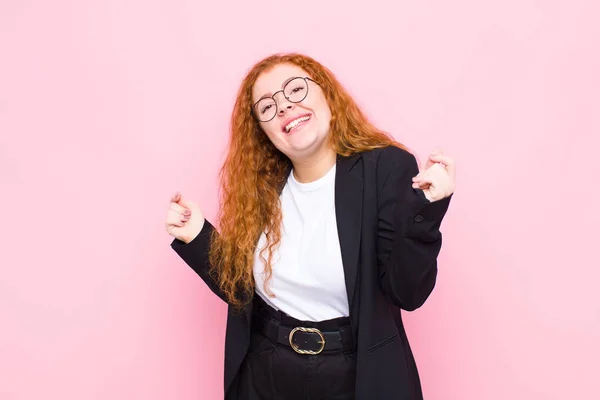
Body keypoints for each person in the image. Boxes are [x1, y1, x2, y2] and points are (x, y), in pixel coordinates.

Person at [165, 53, 455, 400]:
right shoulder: (263, 187)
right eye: (267, 107)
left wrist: (426, 212)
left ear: (327, 94)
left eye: (295, 89)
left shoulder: (386, 167)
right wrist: (198, 236)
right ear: (263, 131)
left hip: (353, 376)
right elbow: (243, 291)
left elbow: (407, 293)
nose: (285, 106)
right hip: (265, 373)